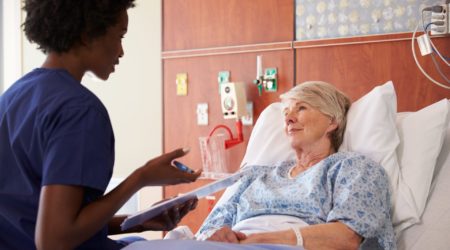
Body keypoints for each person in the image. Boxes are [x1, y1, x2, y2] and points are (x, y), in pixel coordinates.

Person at [0, 1, 201, 249]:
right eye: (119, 36)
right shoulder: (79, 111)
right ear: (87, 35)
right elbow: (53, 240)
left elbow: (38, 223)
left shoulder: (12, 97)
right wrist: (141, 177)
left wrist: (137, 222)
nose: (121, 51)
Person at [196, 81, 396, 250]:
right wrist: (216, 237)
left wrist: (257, 241)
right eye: (286, 113)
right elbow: (206, 232)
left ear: (332, 121)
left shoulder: (353, 168)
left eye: (301, 108)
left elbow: (347, 237)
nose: (289, 119)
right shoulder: (254, 176)